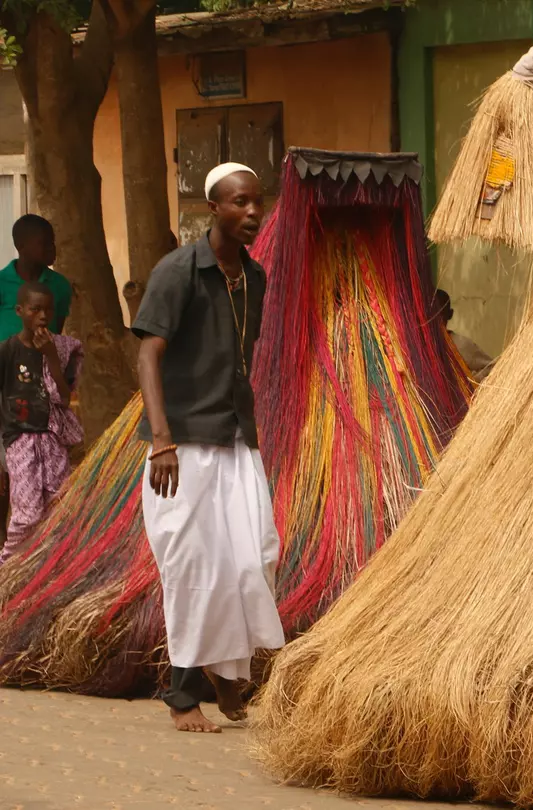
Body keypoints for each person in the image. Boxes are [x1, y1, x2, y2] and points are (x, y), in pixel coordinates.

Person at [132, 162, 284, 733]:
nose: (252, 212)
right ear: (213, 209)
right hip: (183, 446)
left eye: (257, 202)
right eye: (239, 203)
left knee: (252, 560)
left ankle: (227, 675)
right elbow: (148, 355)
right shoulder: (178, 271)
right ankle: (183, 694)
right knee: (194, 566)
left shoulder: (255, 277)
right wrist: (162, 441)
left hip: (236, 438)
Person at [0, 283, 82, 565]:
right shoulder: (8, 350)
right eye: (35, 309)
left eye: (48, 309)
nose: (43, 316)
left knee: (59, 506)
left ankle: (49, 569)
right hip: (20, 439)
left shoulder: (58, 350)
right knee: (27, 514)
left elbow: (63, 397)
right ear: (20, 311)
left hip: (52, 439)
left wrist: (50, 356)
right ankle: (8, 568)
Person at [0, 215, 73, 341]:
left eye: (52, 242)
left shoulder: (60, 285)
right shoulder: (2, 282)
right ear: (21, 246)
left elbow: (56, 332)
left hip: (44, 358)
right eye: (44, 243)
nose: (51, 248)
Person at [433, 289, 493, 382]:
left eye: (439, 314)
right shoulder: (419, 348)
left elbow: (492, 368)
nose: (434, 320)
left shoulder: (460, 345)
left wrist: (471, 382)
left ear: (450, 314)